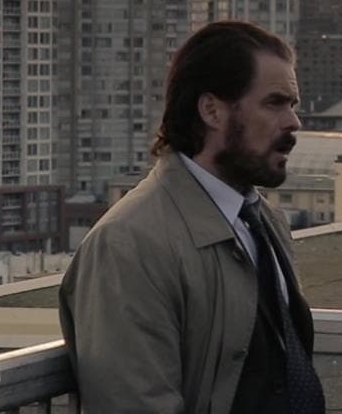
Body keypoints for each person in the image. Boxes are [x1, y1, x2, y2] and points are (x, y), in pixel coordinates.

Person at [60, 20, 326, 413]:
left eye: (293, 104)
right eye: (274, 103)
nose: (293, 122)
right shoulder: (128, 245)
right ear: (212, 110)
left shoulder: (263, 221)